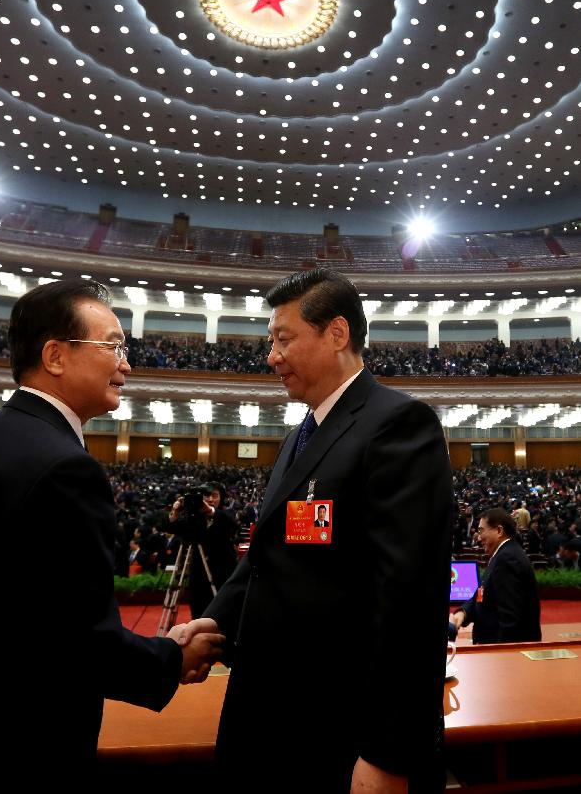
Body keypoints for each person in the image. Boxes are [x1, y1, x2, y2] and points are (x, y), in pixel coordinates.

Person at [0, 279, 223, 793]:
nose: (126, 364)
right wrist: (172, 659)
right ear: (55, 355)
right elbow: (74, 639)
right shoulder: (64, 465)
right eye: (112, 346)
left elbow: (24, 613)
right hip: (17, 757)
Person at [179, 268, 453, 793]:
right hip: (268, 715)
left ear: (337, 334)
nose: (271, 356)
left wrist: (388, 755)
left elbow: (409, 601)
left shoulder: (399, 425)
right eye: (270, 342)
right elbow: (267, 558)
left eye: (284, 339)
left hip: (340, 728)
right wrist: (209, 626)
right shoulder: (298, 436)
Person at [452, 508, 541, 644]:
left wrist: (499, 654)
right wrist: (463, 613)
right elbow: (482, 593)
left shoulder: (507, 559)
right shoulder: (503, 554)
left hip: (506, 655)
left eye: (481, 531)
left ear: (499, 531)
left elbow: (509, 621)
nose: (478, 537)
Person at [167, 483, 238, 618]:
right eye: (207, 496)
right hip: (199, 571)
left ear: (221, 497)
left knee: (223, 610)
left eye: (215, 496)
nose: (210, 499)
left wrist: (210, 510)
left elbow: (232, 526)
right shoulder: (194, 517)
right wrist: (175, 512)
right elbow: (175, 529)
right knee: (199, 609)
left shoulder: (226, 513)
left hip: (223, 570)